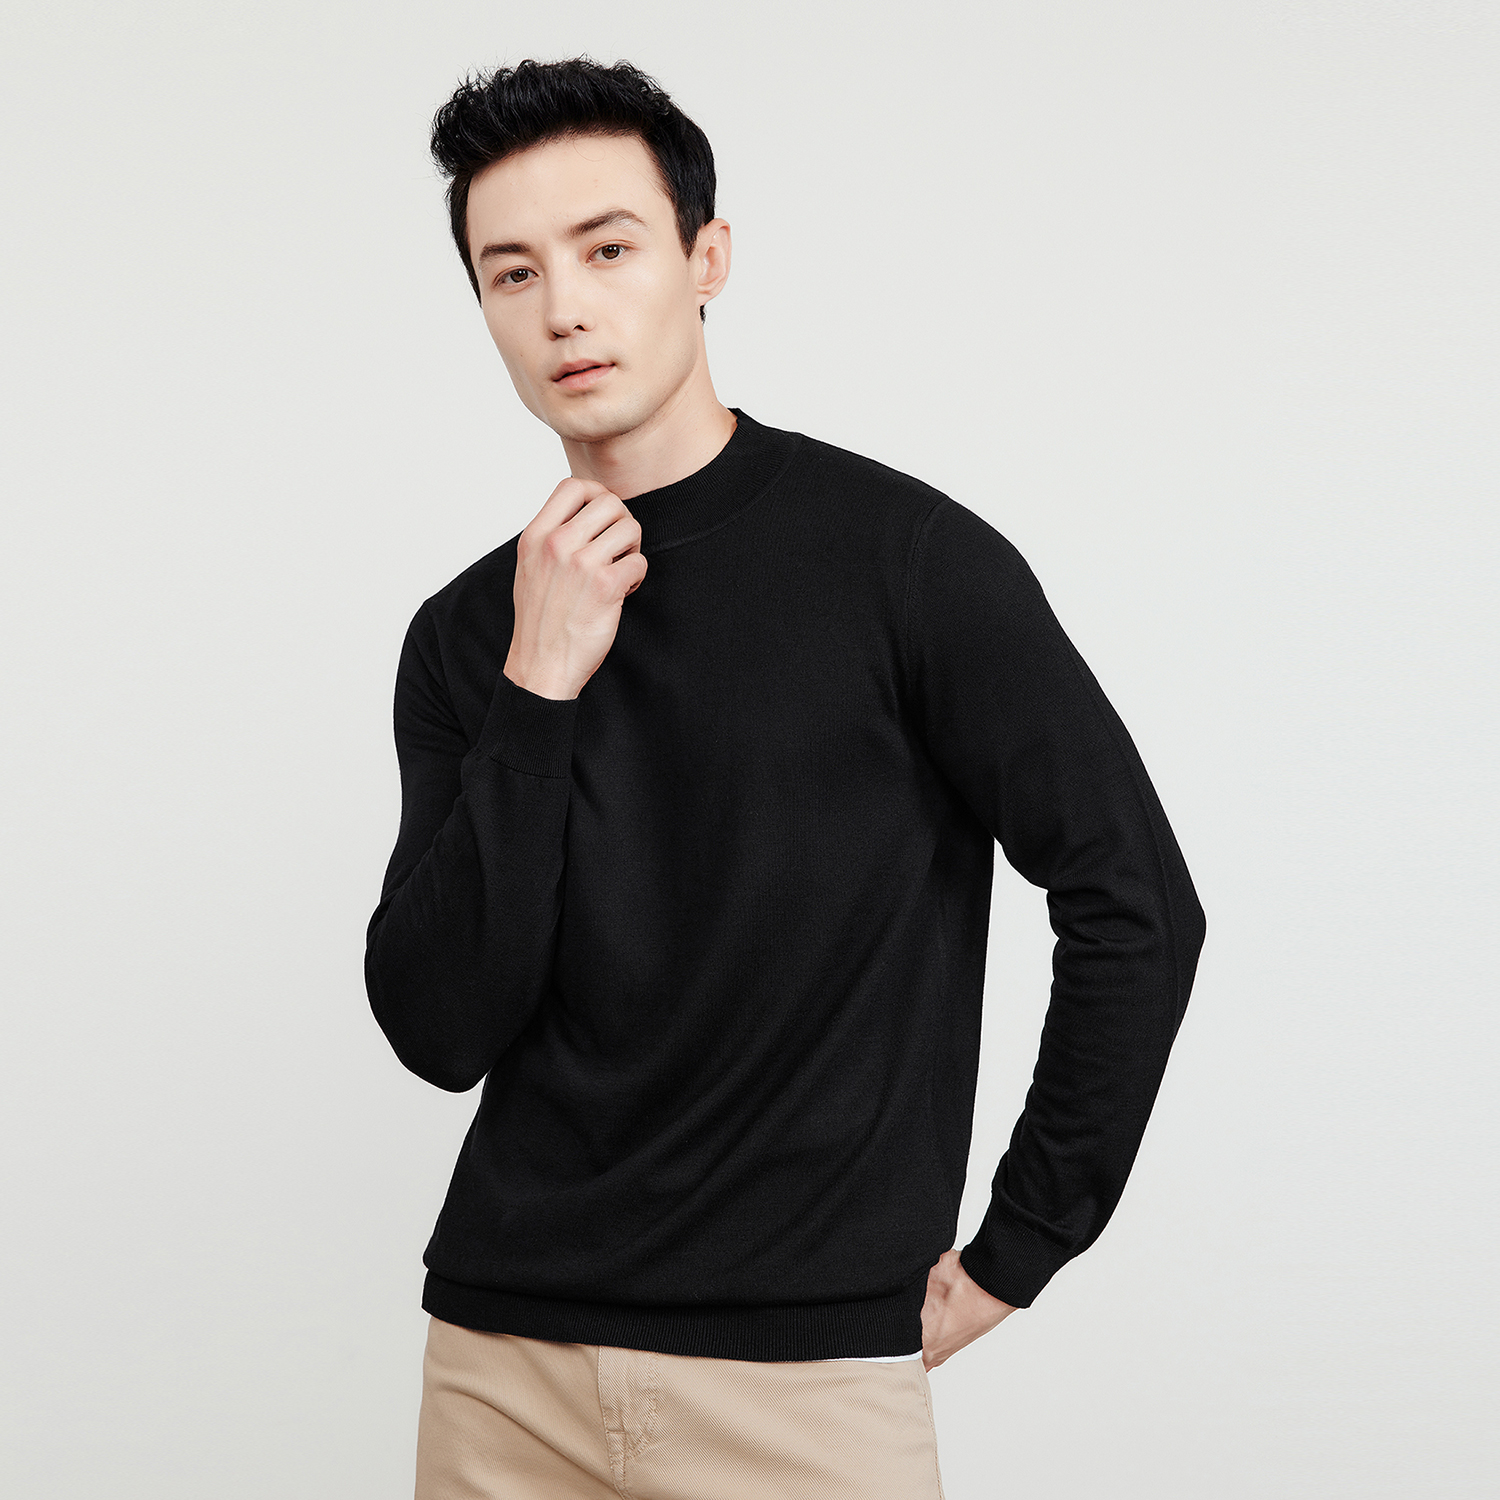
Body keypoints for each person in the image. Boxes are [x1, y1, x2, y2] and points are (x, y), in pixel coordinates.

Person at [365, 55, 1207, 1500]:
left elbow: (1137, 899)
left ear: (706, 259)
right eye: (512, 273)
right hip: (502, 1370)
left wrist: (1023, 1245)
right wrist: (537, 689)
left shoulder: (905, 563)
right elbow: (440, 1026)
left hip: (803, 1387)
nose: (563, 308)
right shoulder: (468, 636)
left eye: (608, 249)